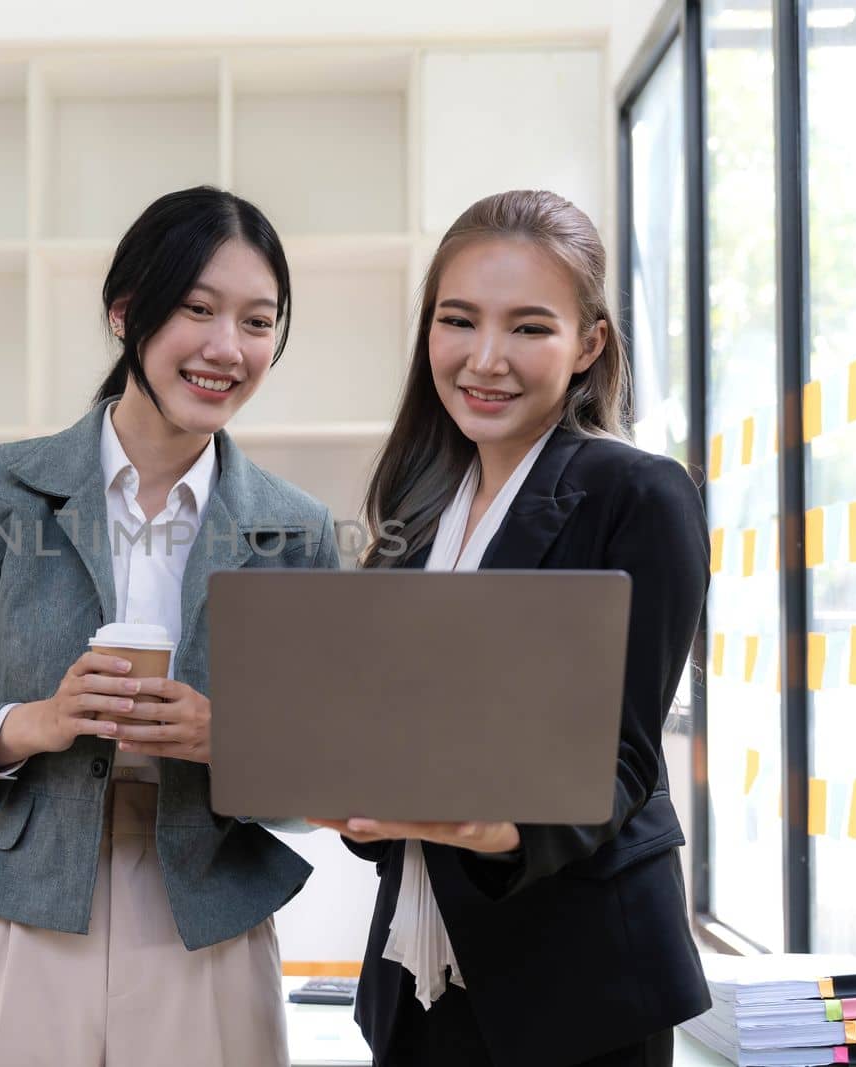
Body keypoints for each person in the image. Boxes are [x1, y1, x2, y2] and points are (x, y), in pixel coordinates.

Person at [0, 186, 340, 1067]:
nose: (225, 348)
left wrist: (225, 741)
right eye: (197, 309)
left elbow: (328, 772)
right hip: (17, 907)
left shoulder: (297, 528)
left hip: (205, 917)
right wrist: (33, 722)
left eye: (257, 321)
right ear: (127, 312)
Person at [310, 189, 711, 1067]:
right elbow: (394, 738)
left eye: (529, 328)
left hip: (578, 985)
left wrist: (504, 827)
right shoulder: (417, 509)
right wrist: (342, 784)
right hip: (419, 981)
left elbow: (627, 759)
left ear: (589, 345)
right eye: (459, 321)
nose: (485, 359)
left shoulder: (637, 495)